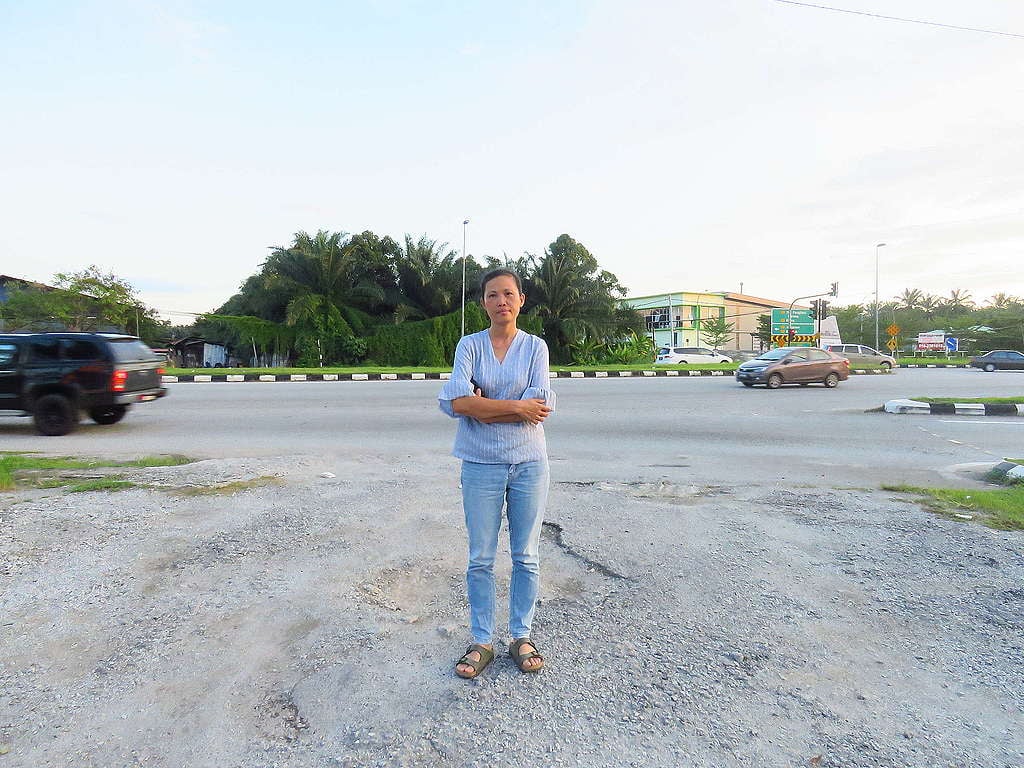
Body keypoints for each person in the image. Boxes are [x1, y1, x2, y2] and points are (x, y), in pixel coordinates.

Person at [438, 268, 556, 679]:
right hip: (480, 465)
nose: (501, 301)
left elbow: (538, 407)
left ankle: (521, 635)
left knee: (526, 556)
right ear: (483, 302)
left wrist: (484, 406)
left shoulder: (536, 348)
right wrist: (515, 407)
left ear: (521, 300)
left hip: (529, 464)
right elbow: (457, 402)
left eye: (509, 293)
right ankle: (482, 640)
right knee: (481, 558)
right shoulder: (468, 346)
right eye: (493, 294)